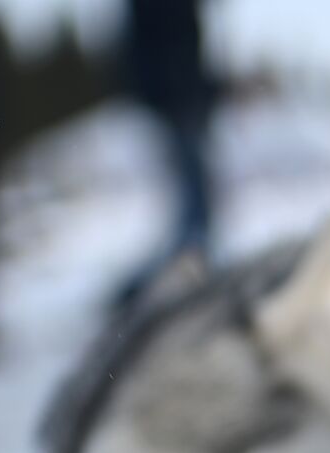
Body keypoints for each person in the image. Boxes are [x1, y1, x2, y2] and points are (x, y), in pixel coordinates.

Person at [115, 0, 217, 310]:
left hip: (184, 94)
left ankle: (191, 269)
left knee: (195, 198)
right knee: (194, 199)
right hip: (178, 97)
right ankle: (183, 276)